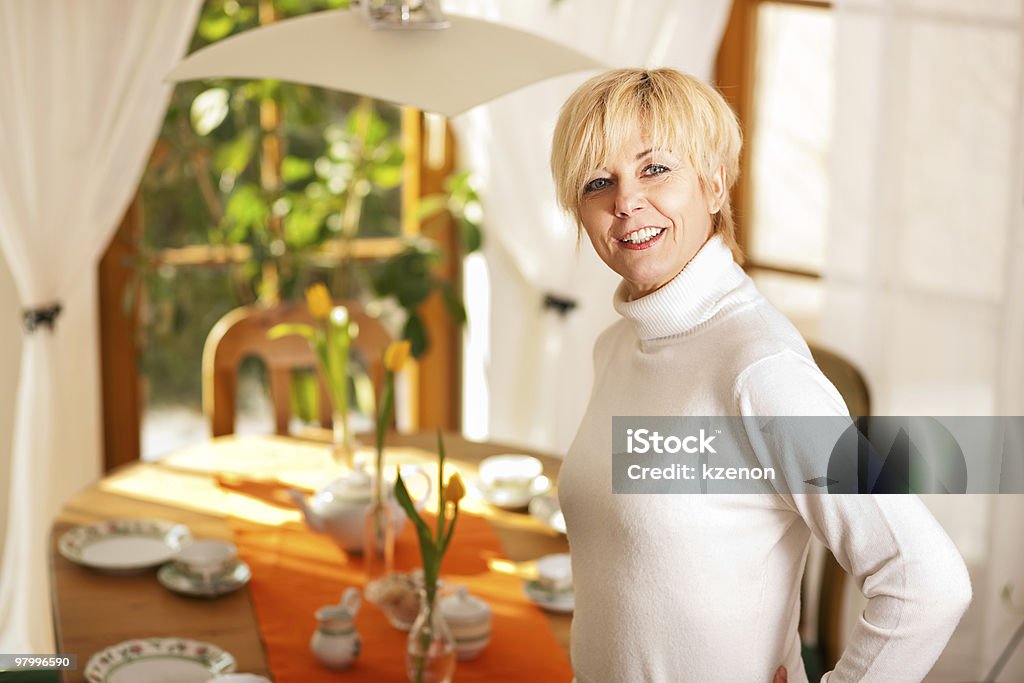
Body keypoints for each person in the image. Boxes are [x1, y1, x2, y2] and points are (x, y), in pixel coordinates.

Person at [550, 68, 971, 683]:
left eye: (655, 169)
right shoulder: (616, 346)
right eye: (597, 181)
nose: (625, 201)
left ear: (715, 184)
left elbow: (927, 579)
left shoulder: (760, 369)